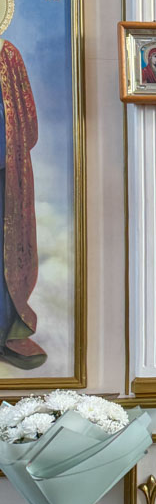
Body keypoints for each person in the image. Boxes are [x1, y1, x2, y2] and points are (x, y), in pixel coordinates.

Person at [0, 34, 46, 368]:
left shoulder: (7, 55)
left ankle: (4, 332)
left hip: (4, 173)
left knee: (4, 248)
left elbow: (26, 121)